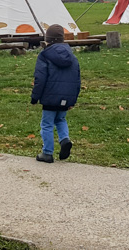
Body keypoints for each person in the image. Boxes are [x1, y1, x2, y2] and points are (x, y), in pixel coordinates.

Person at [30, 24, 81, 163]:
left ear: (48, 40)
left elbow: (40, 79)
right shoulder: (72, 57)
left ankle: (47, 152)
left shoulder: (44, 56)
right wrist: (72, 100)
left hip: (49, 97)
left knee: (47, 124)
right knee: (60, 120)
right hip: (66, 97)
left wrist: (35, 97)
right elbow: (77, 80)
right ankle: (64, 140)